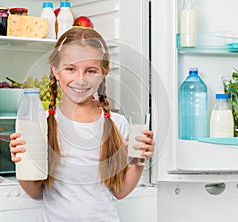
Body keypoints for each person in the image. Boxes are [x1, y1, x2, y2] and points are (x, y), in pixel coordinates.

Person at [9, 27, 155, 222]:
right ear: (56, 71)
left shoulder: (116, 123)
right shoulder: (41, 124)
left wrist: (139, 160)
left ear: (103, 73)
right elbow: (35, 192)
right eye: (70, 69)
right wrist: (22, 161)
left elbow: (119, 191)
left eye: (91, 71)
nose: (80, 80)